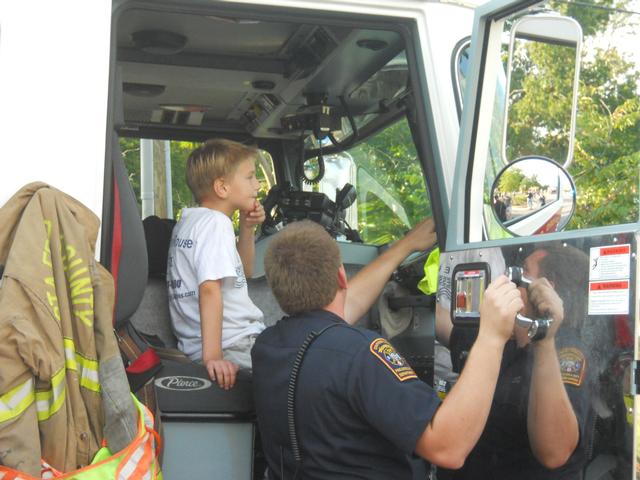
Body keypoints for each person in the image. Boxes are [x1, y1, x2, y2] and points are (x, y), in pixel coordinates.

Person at [251, 219, 523, 479]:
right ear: (342, 276)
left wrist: (405, 246)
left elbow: (338, 313)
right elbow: (447, 448)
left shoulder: (268, 347)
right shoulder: (362, 354)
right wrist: (491, 337)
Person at [447, 243, 597, 479]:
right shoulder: (504, 340)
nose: (510, 279)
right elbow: (453, 331)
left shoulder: (566, 352)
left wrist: (543, 340)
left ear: (545, 292)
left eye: (523, 271)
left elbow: (554, 453)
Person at [166, 138, 266, 389]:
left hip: (202, 345)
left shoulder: (191, 222)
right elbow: (209, 288)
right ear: (222, 187)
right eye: (250, 177)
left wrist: (247, 227)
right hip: (236, 345)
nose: (258, 185)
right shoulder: (216, 225)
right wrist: (214, 357)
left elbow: (245, 270)